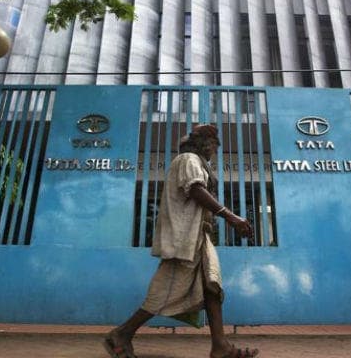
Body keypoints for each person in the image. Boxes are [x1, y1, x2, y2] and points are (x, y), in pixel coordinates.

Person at [103, 124, 259, 358]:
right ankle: (121, 334)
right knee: (164, 291)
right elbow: (195, 189)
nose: (214, 151)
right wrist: (231, 217)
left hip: (199, 238)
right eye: (213, 146)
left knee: (212, 287)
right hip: (185, 239)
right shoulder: (188, 159)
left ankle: (220, 347)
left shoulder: (196, 162)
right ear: (204, 144)